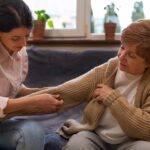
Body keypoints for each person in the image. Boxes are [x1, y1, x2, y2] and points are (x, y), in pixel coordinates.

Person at [28, 19, 150, 150]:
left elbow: (146, 128)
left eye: (131, 55)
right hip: (96, 136)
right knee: (77, 144)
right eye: (122, 47)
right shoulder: (110, 68)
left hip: (133, 141)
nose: (121, 56)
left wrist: (112, 98)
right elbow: (67, 91)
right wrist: (12, 107)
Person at [0, 0, 63, 150]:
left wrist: (43, 92)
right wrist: (33, 102)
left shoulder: (19, 51)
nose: (23, 44)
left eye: (27, 36)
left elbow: (12, 87)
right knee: (31, 133)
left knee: (53, 142)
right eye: (16, 38)